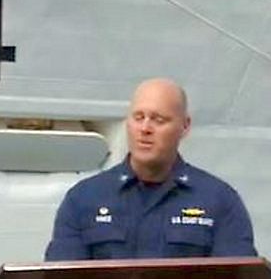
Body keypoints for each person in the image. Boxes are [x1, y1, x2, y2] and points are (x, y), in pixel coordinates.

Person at [45, 78, 256, 260]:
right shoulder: (84, 200)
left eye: (158, 120)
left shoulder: (219, 202)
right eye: (138, 117)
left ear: (185, 125)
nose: (145, 129)